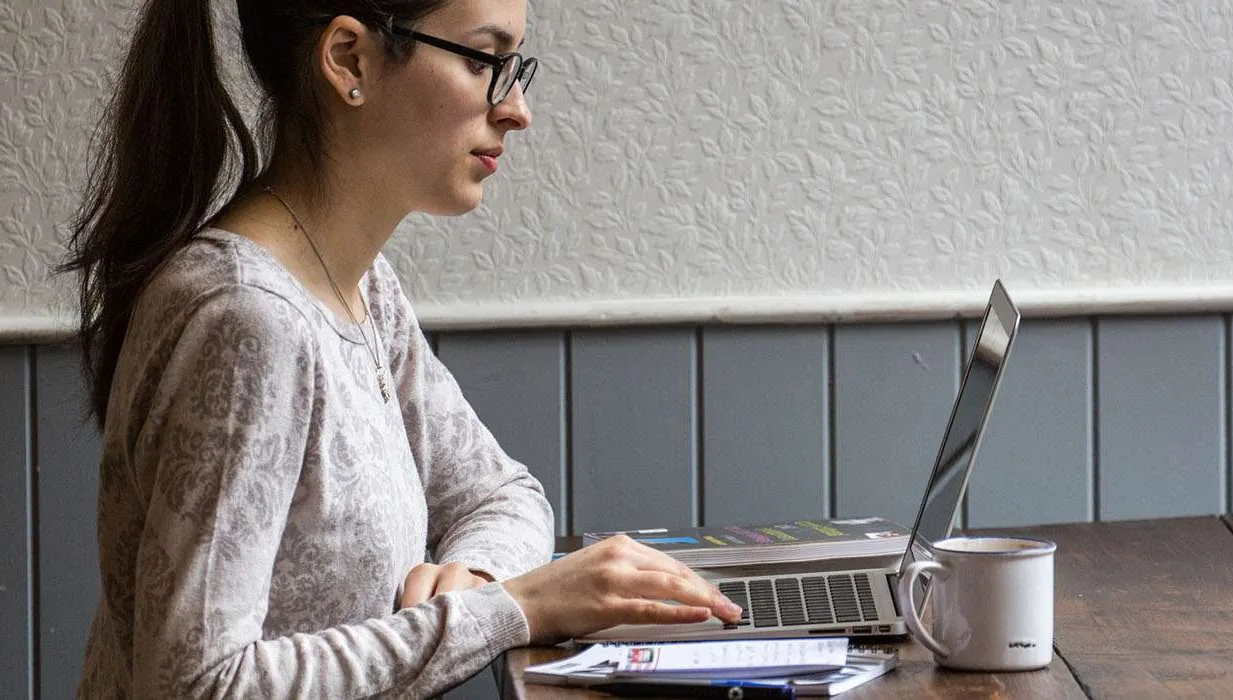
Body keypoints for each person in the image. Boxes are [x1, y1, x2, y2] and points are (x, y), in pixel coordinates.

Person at [59, 0, 742, 696]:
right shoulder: (248, 319)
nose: (517, 110)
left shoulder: (359, 287)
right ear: (350, 59)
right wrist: (512, 609)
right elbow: (199, 685)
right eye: (482, 61)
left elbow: (501, 495)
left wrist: (474, 577)